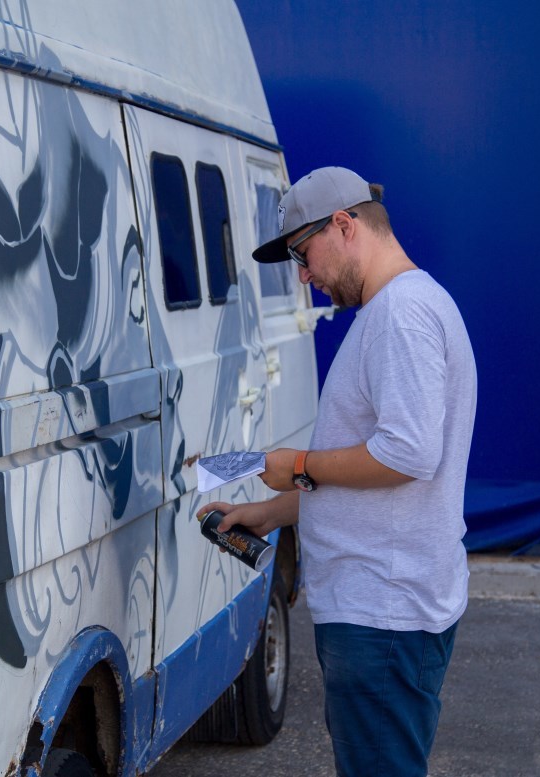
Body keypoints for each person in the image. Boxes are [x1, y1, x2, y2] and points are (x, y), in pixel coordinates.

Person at [199, 166, 477, 776]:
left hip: (383, 613)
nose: (303, 275)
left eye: (303, 253)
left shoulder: (401, 315)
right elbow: (365, 468)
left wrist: (295, 462)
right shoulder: (398, 310)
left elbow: (406, 455)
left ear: (345, 225)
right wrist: (269, 513)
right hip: (381, 607)